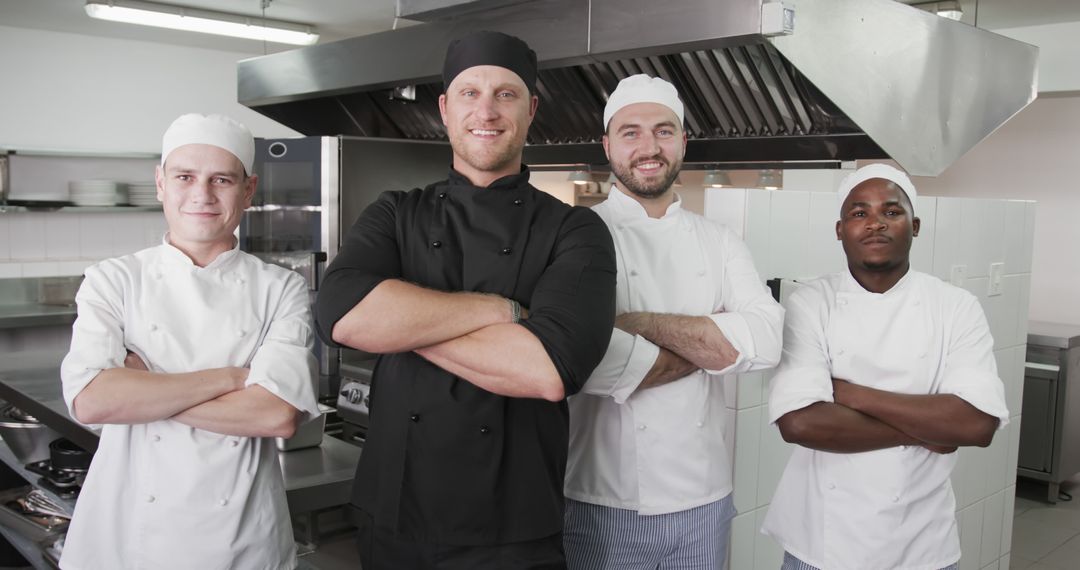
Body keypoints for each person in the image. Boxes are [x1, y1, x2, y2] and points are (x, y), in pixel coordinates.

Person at [314, 30, 617, 569]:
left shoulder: (575, 229)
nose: (487, 110)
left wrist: (399, 326)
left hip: (513, 529)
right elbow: (338, 312)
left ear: (532, 110)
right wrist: (502, 311)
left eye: (506, 94)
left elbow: (548, 370)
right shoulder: (395, 212)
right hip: (393, 518)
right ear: (444, 109)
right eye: (469, 93)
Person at [58, 113, 320, 570]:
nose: (202, 194)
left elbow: (275, 414)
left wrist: (143, 390)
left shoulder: (281, 288)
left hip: (240, 538)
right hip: (128, 532)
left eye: (222, 179)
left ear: (249, 190)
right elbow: (92, 402)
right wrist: (233, 379)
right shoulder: (114, 280)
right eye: (185, 177)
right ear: (160, 183)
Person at [562, 74, 784, 570]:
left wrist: (634, 323)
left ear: (683, 142)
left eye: (664, 131)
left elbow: (766, 342)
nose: (649, 146)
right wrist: (713, 340)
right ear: (607, 145)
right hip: (601, 499)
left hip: (704, 498)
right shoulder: (576, 234)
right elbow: (579, 360)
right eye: (631, 131)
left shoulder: (719, 239)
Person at [761, 164, 1009, 570]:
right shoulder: (811, 302)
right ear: (840, 230)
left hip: (923, 543)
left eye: (891, 211)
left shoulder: (955, 306)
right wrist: (926, 428)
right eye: (859, 213)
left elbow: (977, 425)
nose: (875, 223)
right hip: (822, 544)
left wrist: (853, 394)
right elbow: (800, 424)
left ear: (915, 225)